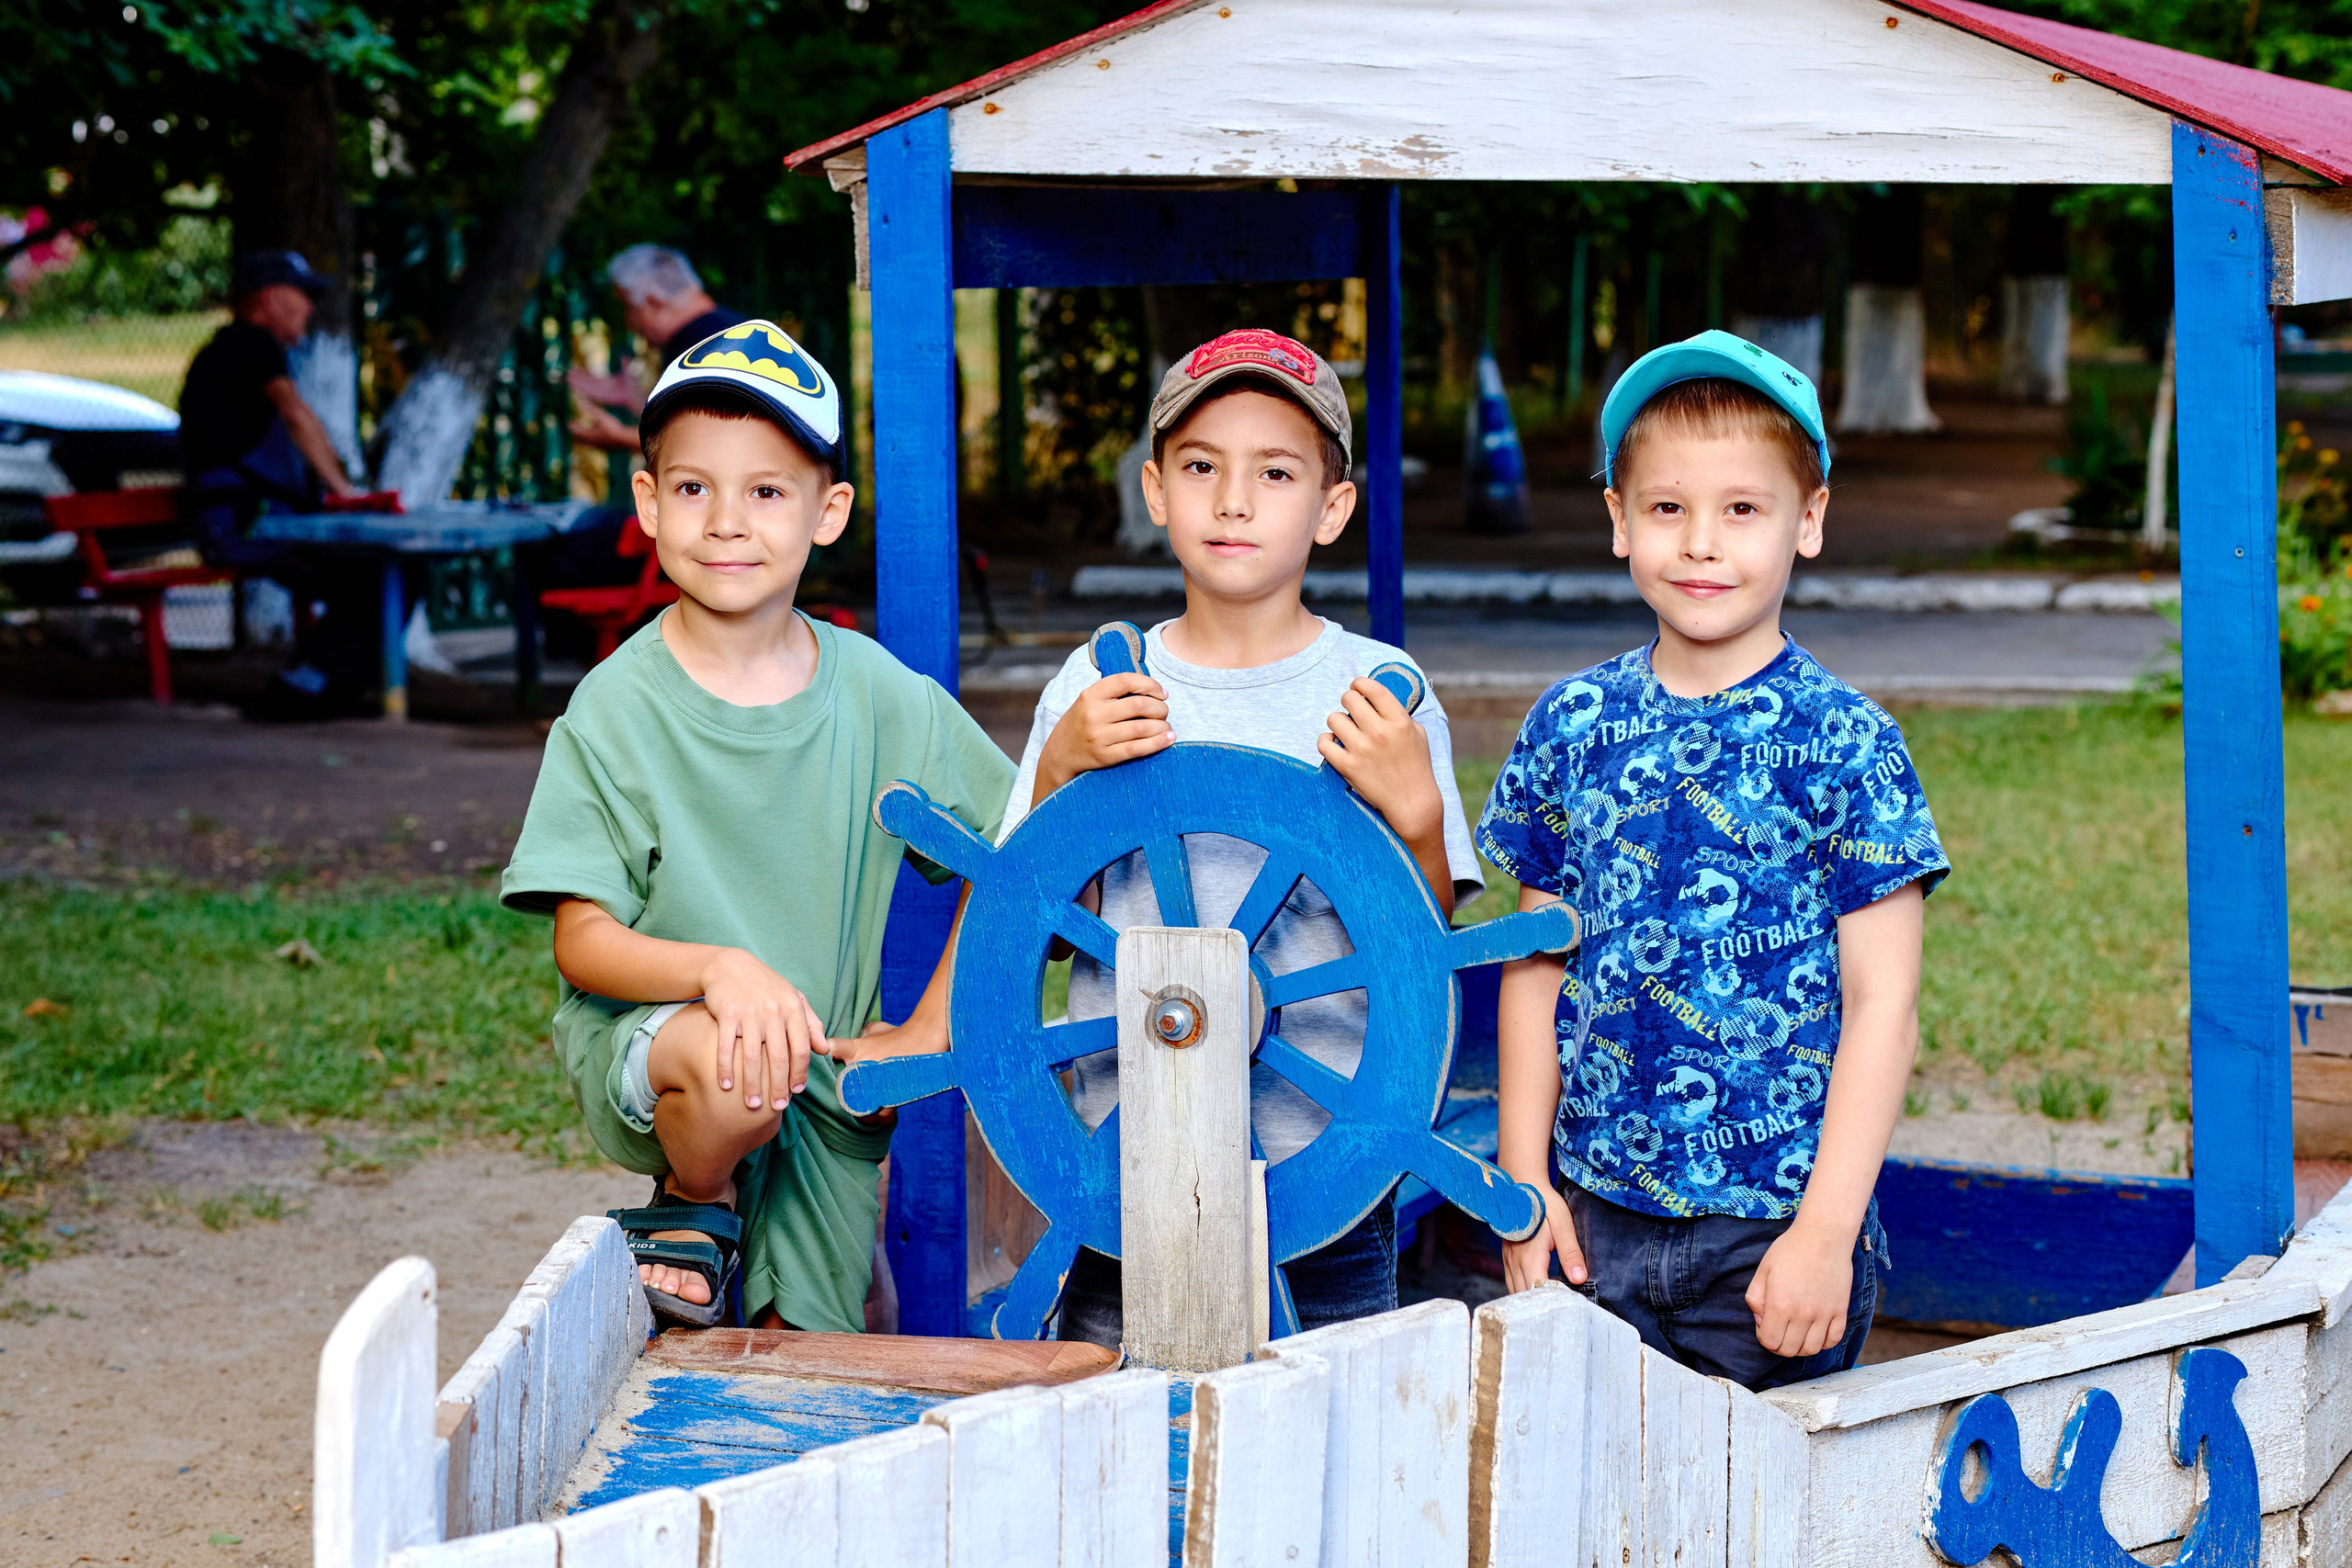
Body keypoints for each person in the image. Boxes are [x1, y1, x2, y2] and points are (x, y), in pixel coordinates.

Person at [500, 319, 1013, 1330]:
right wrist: (716, 970)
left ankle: (812, 1266)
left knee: (804, 1352)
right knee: (735, 1074)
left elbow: (1020, 858)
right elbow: (582, 938)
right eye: (694, 488)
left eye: (766, 492)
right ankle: (695, 1196)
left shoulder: (879, 698)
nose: (727, 522)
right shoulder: (616, 707)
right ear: (648, 503)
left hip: (826, 1088)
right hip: (670, 1051)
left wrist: (924, 1030)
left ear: (827, 513)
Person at [1476, 330, 1950, 1390]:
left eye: (1742, 509)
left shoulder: (1846, 742)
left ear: (1807, 521)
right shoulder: (1572, 723)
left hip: (1772, 1235)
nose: (1701, 542)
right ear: (1618, 521)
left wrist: (1825, 1233)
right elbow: (1535, 962)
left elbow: (1885, 1003)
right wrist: (1523, 1180)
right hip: (1591, 1221)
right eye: (1666, 508)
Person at [997, 327, 1487, 1342]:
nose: (1232, 500)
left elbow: (1421, 948)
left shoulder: (1383, 696)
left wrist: (1421, 816)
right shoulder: (1097, 686)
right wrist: (1059, 773)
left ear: (1332, 505)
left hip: (1330, 1160)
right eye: (1201, 467)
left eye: (1274, 471)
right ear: (1155, 490)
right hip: (1125, 1164)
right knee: (1118, 1439)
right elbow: (1033, 933)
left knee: (1335, 1438)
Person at [179, 250, 375, 716]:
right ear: (269, 299)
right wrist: (345, 493)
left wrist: (336, 490)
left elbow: (299, 423)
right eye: (300, 295)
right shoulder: (250, 344)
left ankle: (329, 684)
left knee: (379, 573)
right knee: (371, 578)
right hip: (239, 527)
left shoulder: (233, 348)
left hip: (244, 521)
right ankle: (302, 687)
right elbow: (296, 416)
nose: (309, 307)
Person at [533, 245, 752, 622]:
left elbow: (712, 448)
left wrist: (619, 437)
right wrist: (636, 400)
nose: (630, 322)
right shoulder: (730, 332)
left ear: (651, 301)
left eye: (627, 307)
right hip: (736, 523)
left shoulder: (698, 345)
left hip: (714, 533)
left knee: (548, 554)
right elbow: (702, 424)